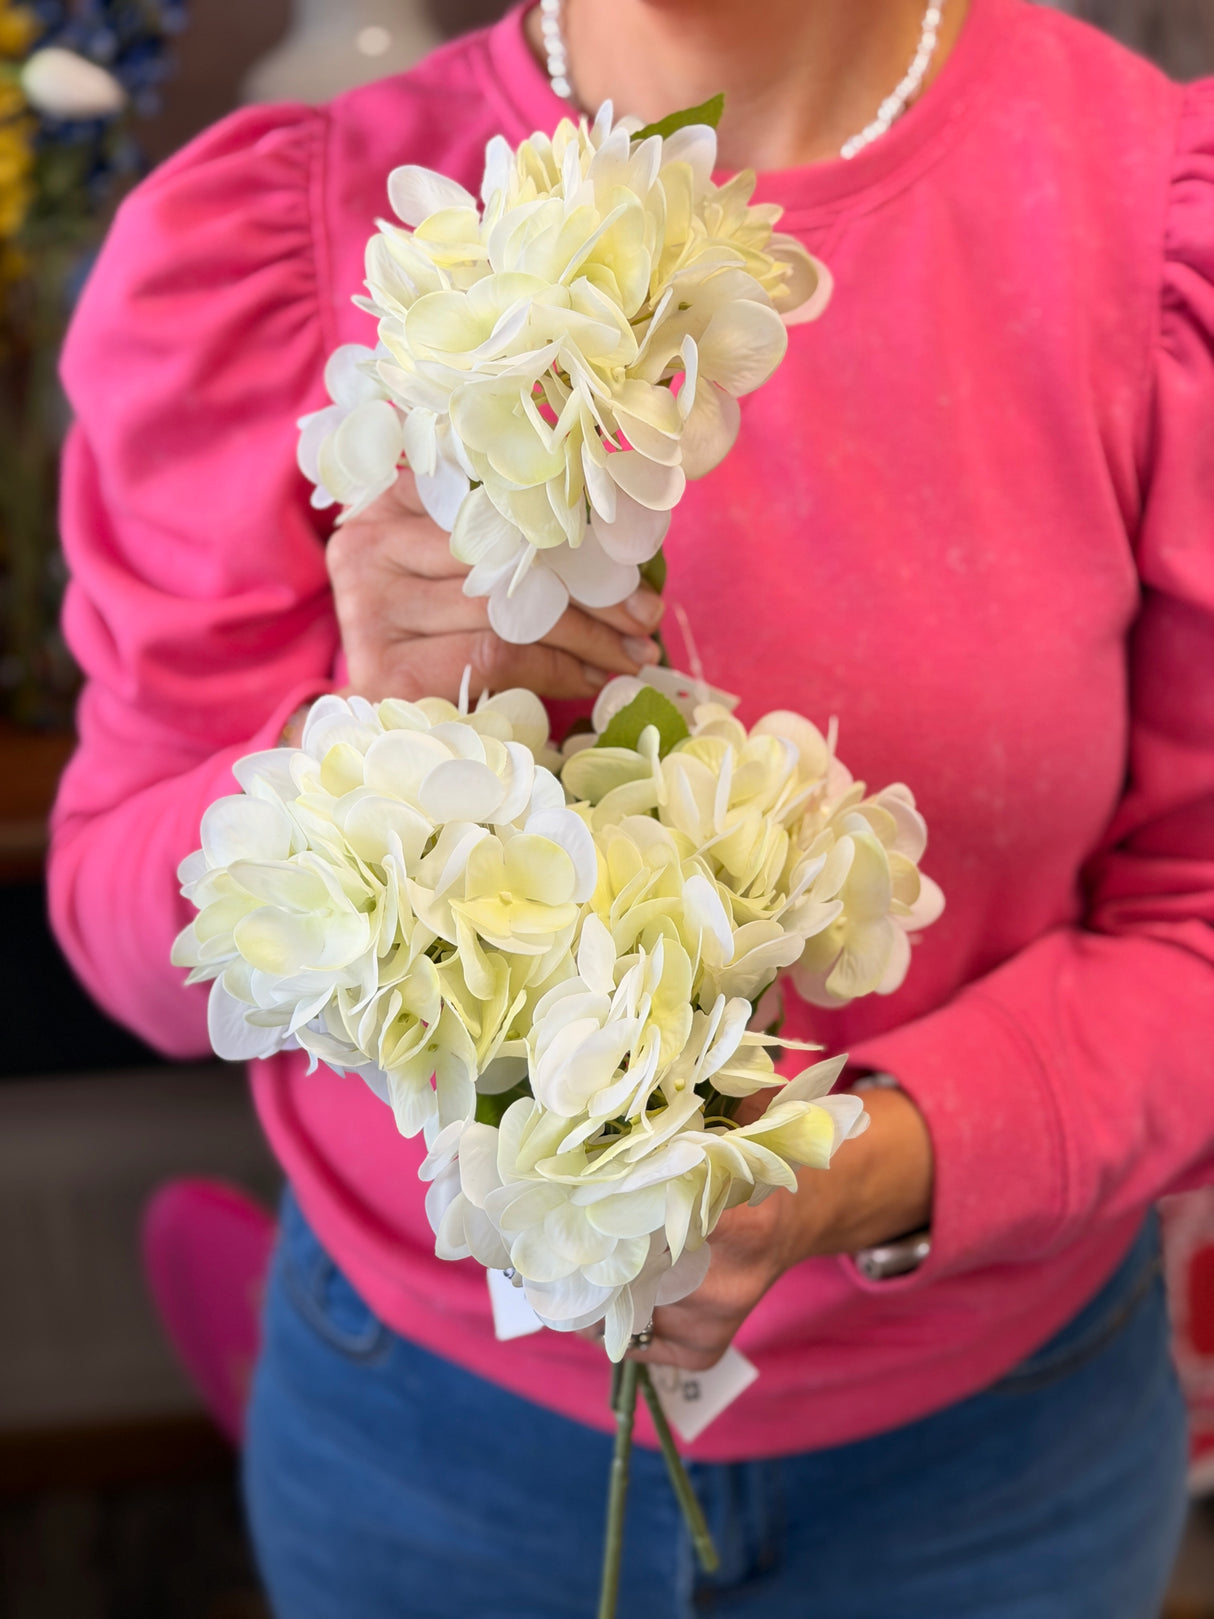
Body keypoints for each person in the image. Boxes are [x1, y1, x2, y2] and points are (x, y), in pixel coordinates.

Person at [48, 0, 1214, 1614]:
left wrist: (865, 1164)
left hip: (991, 1470)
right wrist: (372, 728)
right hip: (427, 1442)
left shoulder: (1152, 221)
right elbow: (124, 937)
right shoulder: (286, 230)